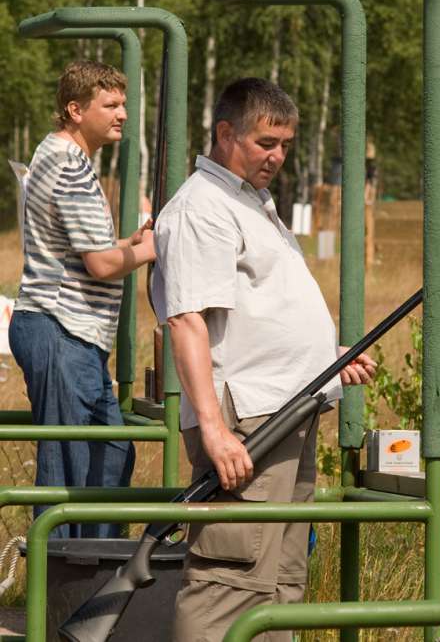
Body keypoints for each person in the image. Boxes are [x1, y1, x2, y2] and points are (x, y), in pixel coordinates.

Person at [153, 77, 376, 642]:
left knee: (279, 585)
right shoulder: (203, 207)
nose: (276, 156)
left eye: (285, 145)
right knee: (229, 582)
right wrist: (215, 430)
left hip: (286, 412)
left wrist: (328, 357)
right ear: (226, 133)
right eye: (265, 143)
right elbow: (186, 321)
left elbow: (260, 313)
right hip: (248, 424)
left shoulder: (248, 202)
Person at [9, 60, 156, 538]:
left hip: (69, 330)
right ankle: (60, 577)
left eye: (123, 104)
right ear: (76, 110)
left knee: (109, 452)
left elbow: (85, 251)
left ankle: (93, 567)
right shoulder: (69, 164)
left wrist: (128, 245)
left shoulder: (63, 156)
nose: (122, 114)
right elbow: (100, 265)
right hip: (59, 327)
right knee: (68, 468)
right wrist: (153, 248)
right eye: (110, 105)